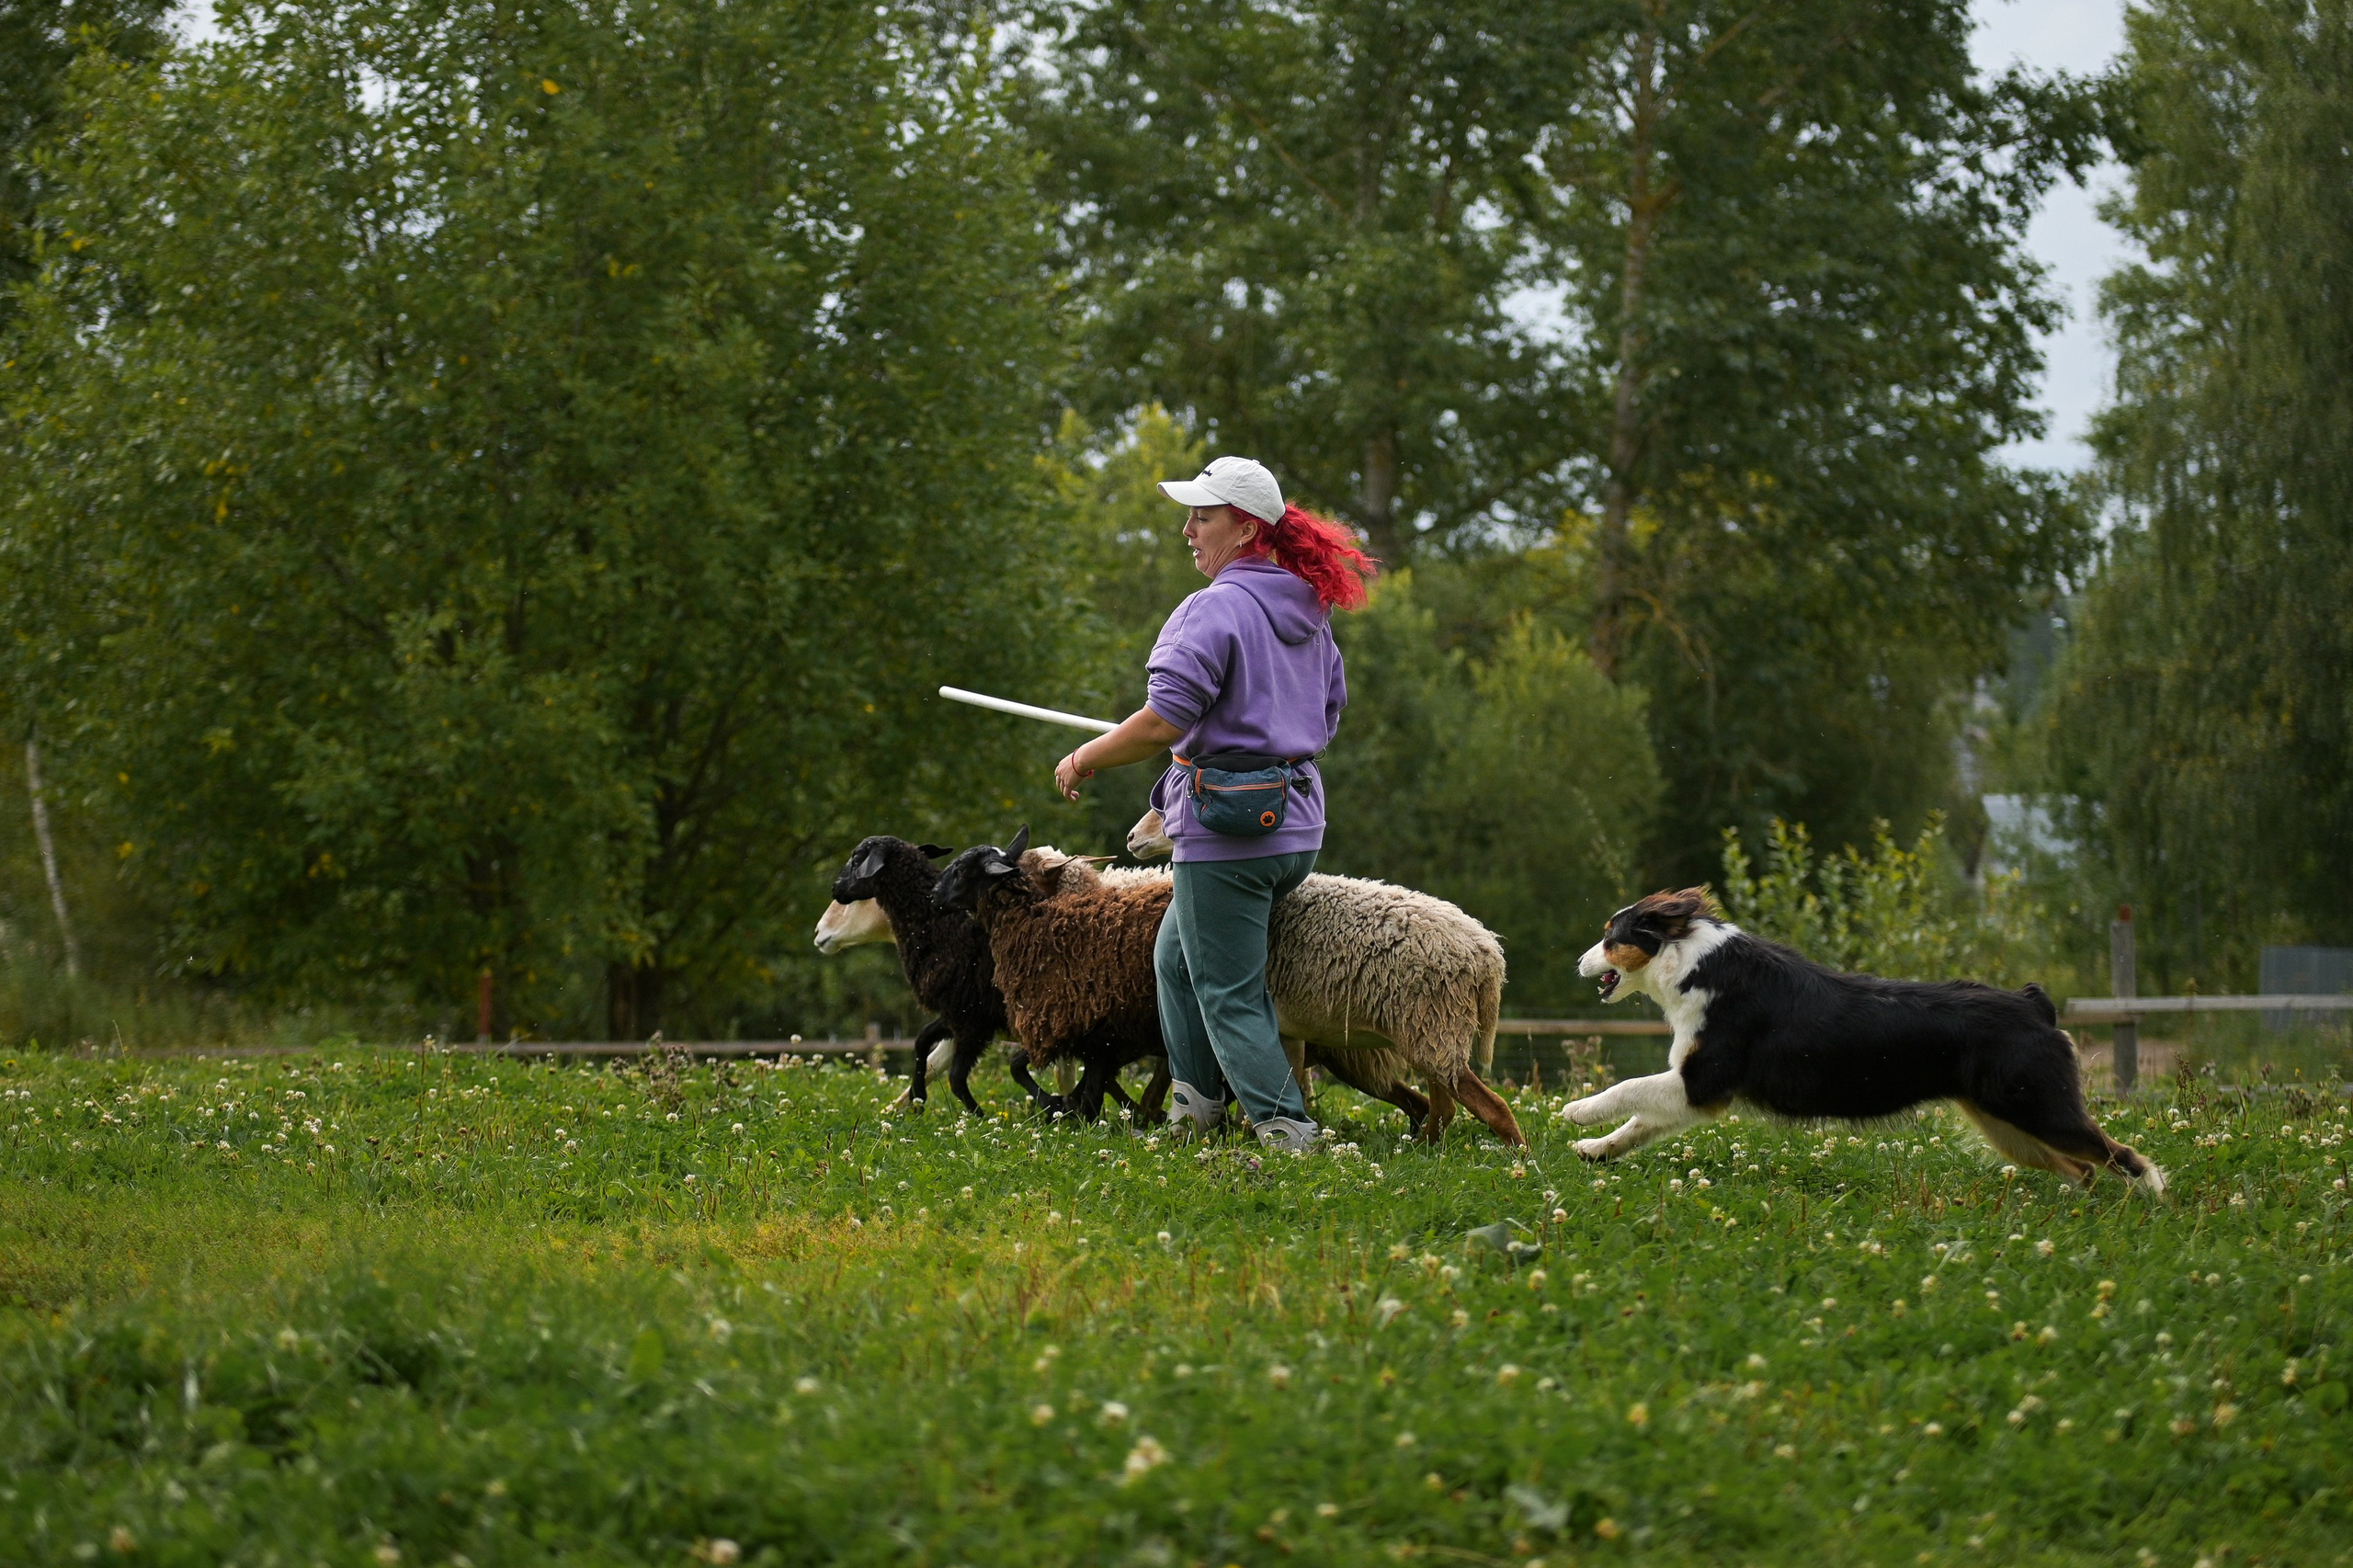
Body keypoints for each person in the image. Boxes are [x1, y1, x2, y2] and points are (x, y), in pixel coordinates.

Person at [1052, 456, 1376, 1152]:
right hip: (1294, 825)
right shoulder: (1307, 607)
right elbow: (1329, 709)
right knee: (1176, 958)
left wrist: (1085, 758)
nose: (1187, 529)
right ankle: (1195, 1111)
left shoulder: (1215, 607)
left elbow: (1164, 721)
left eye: (1202, 516)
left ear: (1246, 526)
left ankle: (1288, 1128)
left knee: (1228, 990)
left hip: (1229, 835)